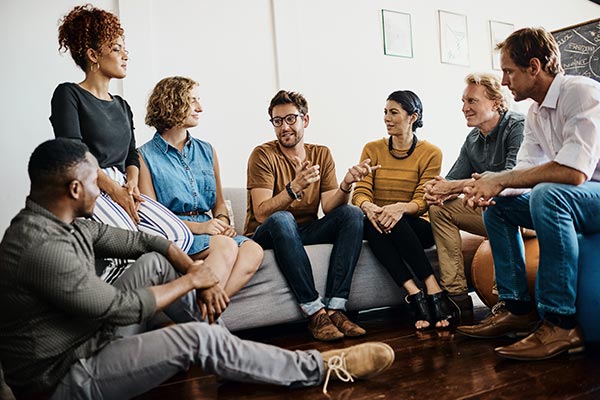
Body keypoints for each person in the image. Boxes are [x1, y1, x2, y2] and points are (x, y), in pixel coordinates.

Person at [0, 138, 395, 399]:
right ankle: (320, 367)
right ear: (74, 190)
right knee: (195, 339)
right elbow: (116, 309)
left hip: (90, 340)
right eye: (96, 183)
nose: (103, 190)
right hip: (62, 378)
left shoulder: (67, 224)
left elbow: (145, 241)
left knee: (155, 262)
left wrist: (197, 275)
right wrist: (193, 278)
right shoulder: (39, 245)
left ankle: (231, 355)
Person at [457, 27, 600, 361]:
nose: (505, 81)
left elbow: (573, 172)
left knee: (548, 194)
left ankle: (560, 322)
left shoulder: (582, 93)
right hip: (576, 199)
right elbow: (522, 175)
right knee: (499, 207)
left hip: (590, 195)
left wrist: (502, 179)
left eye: (509, 71)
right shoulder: (536, 111)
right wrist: (492, 187)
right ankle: (518, 308)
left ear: (534, 67)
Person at [49, 4, 192, 283]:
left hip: (122, 183)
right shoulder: (68, 94)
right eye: (116, 48)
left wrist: (131, 184)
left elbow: (131, 156)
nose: (125, 55)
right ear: (93, 55)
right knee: (127, 251)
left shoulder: (122, 106)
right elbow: (75, 154)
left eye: (124, 48)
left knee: (179, 236)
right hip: (89, 183)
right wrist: (115, 190)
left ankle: (147, 302)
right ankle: (103, 308)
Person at [245, 90, 378, 341]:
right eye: (277, 121)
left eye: (291, 119)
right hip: (266, 234)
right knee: (282, 219)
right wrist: (294, 188)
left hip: (303, 232)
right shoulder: (262, 155)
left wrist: (346, 185)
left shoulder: (322, 154)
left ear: (305, 120)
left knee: (351, 213)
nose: (284, 126)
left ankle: (336, 308)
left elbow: (330, 207)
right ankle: (315, 312)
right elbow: (262, 213)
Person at [138, 76, 263, 298]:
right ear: (172, 103)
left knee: (253, 250)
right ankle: (203, 320)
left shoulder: (207, 150)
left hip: (211, 230)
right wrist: (200, 228)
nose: (200, 107)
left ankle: (204, 315)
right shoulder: (144, 156)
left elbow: (219, 203)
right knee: (226, 246)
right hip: (177, 233)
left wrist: (223, 222)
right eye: (192, 100)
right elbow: (152, 217)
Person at [424, 73, 524, 316]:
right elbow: (451, 181)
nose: (464, 108)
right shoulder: (473, 139)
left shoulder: (517, 126)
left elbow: (513, 177)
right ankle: (457, 298)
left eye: (471, 101)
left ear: (496, 102)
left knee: (498, 200)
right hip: (491, 210)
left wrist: (454, 187)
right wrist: (435, 190)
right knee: (439, 209)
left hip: (521, 210)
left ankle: (508, 302)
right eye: (463, 102)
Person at [352, 90, 452, 330]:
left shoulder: (431, 152)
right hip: (381, 222)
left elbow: (423, 199)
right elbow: (361, 191)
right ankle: (416, 292)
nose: (387, 118)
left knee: (394, 221)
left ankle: (431, 287)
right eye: (385, 112)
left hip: (417, 224)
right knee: (372, 223)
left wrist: (399, 209)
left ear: (413, 117)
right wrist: (369, 206)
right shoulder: (372, 149)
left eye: (394, 112)